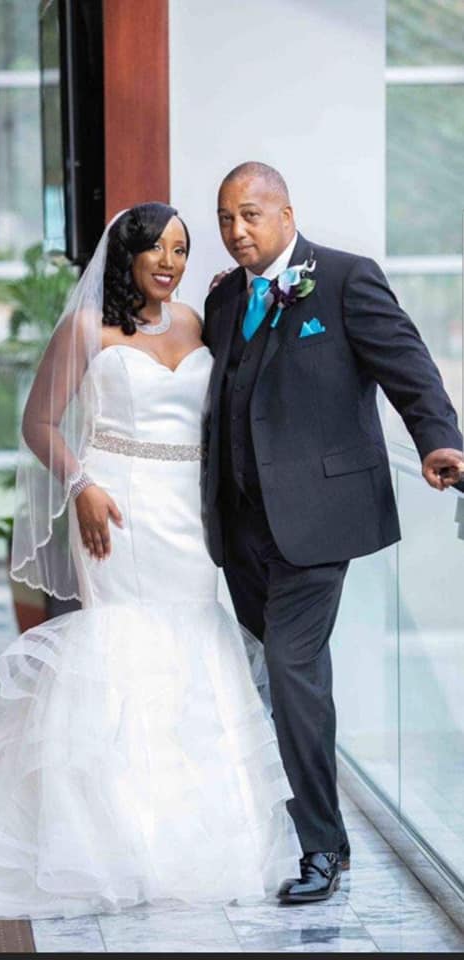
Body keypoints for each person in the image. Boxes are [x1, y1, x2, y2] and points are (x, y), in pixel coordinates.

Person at [0, 202, 302, 923]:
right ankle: (118, 841)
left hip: (187, 514)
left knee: (191, 649)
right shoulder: (90, 328)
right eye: (157, 251)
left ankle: (200, 837)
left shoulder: (198, 320)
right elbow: (38, 421)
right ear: (127, 258)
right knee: (124, 650)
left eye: (181, 249)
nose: (170, 263)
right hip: (114, 506)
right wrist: (80, 484)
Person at [202, 161, 464, 904]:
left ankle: (321, 849)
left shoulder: (346, 278)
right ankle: (310, 829)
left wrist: (440, 442)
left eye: (250, 215)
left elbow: (409, 368)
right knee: (292, 680)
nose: (236, 231)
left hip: (320, 522)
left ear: (286, 214)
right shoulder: (224, 300)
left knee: (290, 672)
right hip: (241, 527)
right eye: (225, 219)